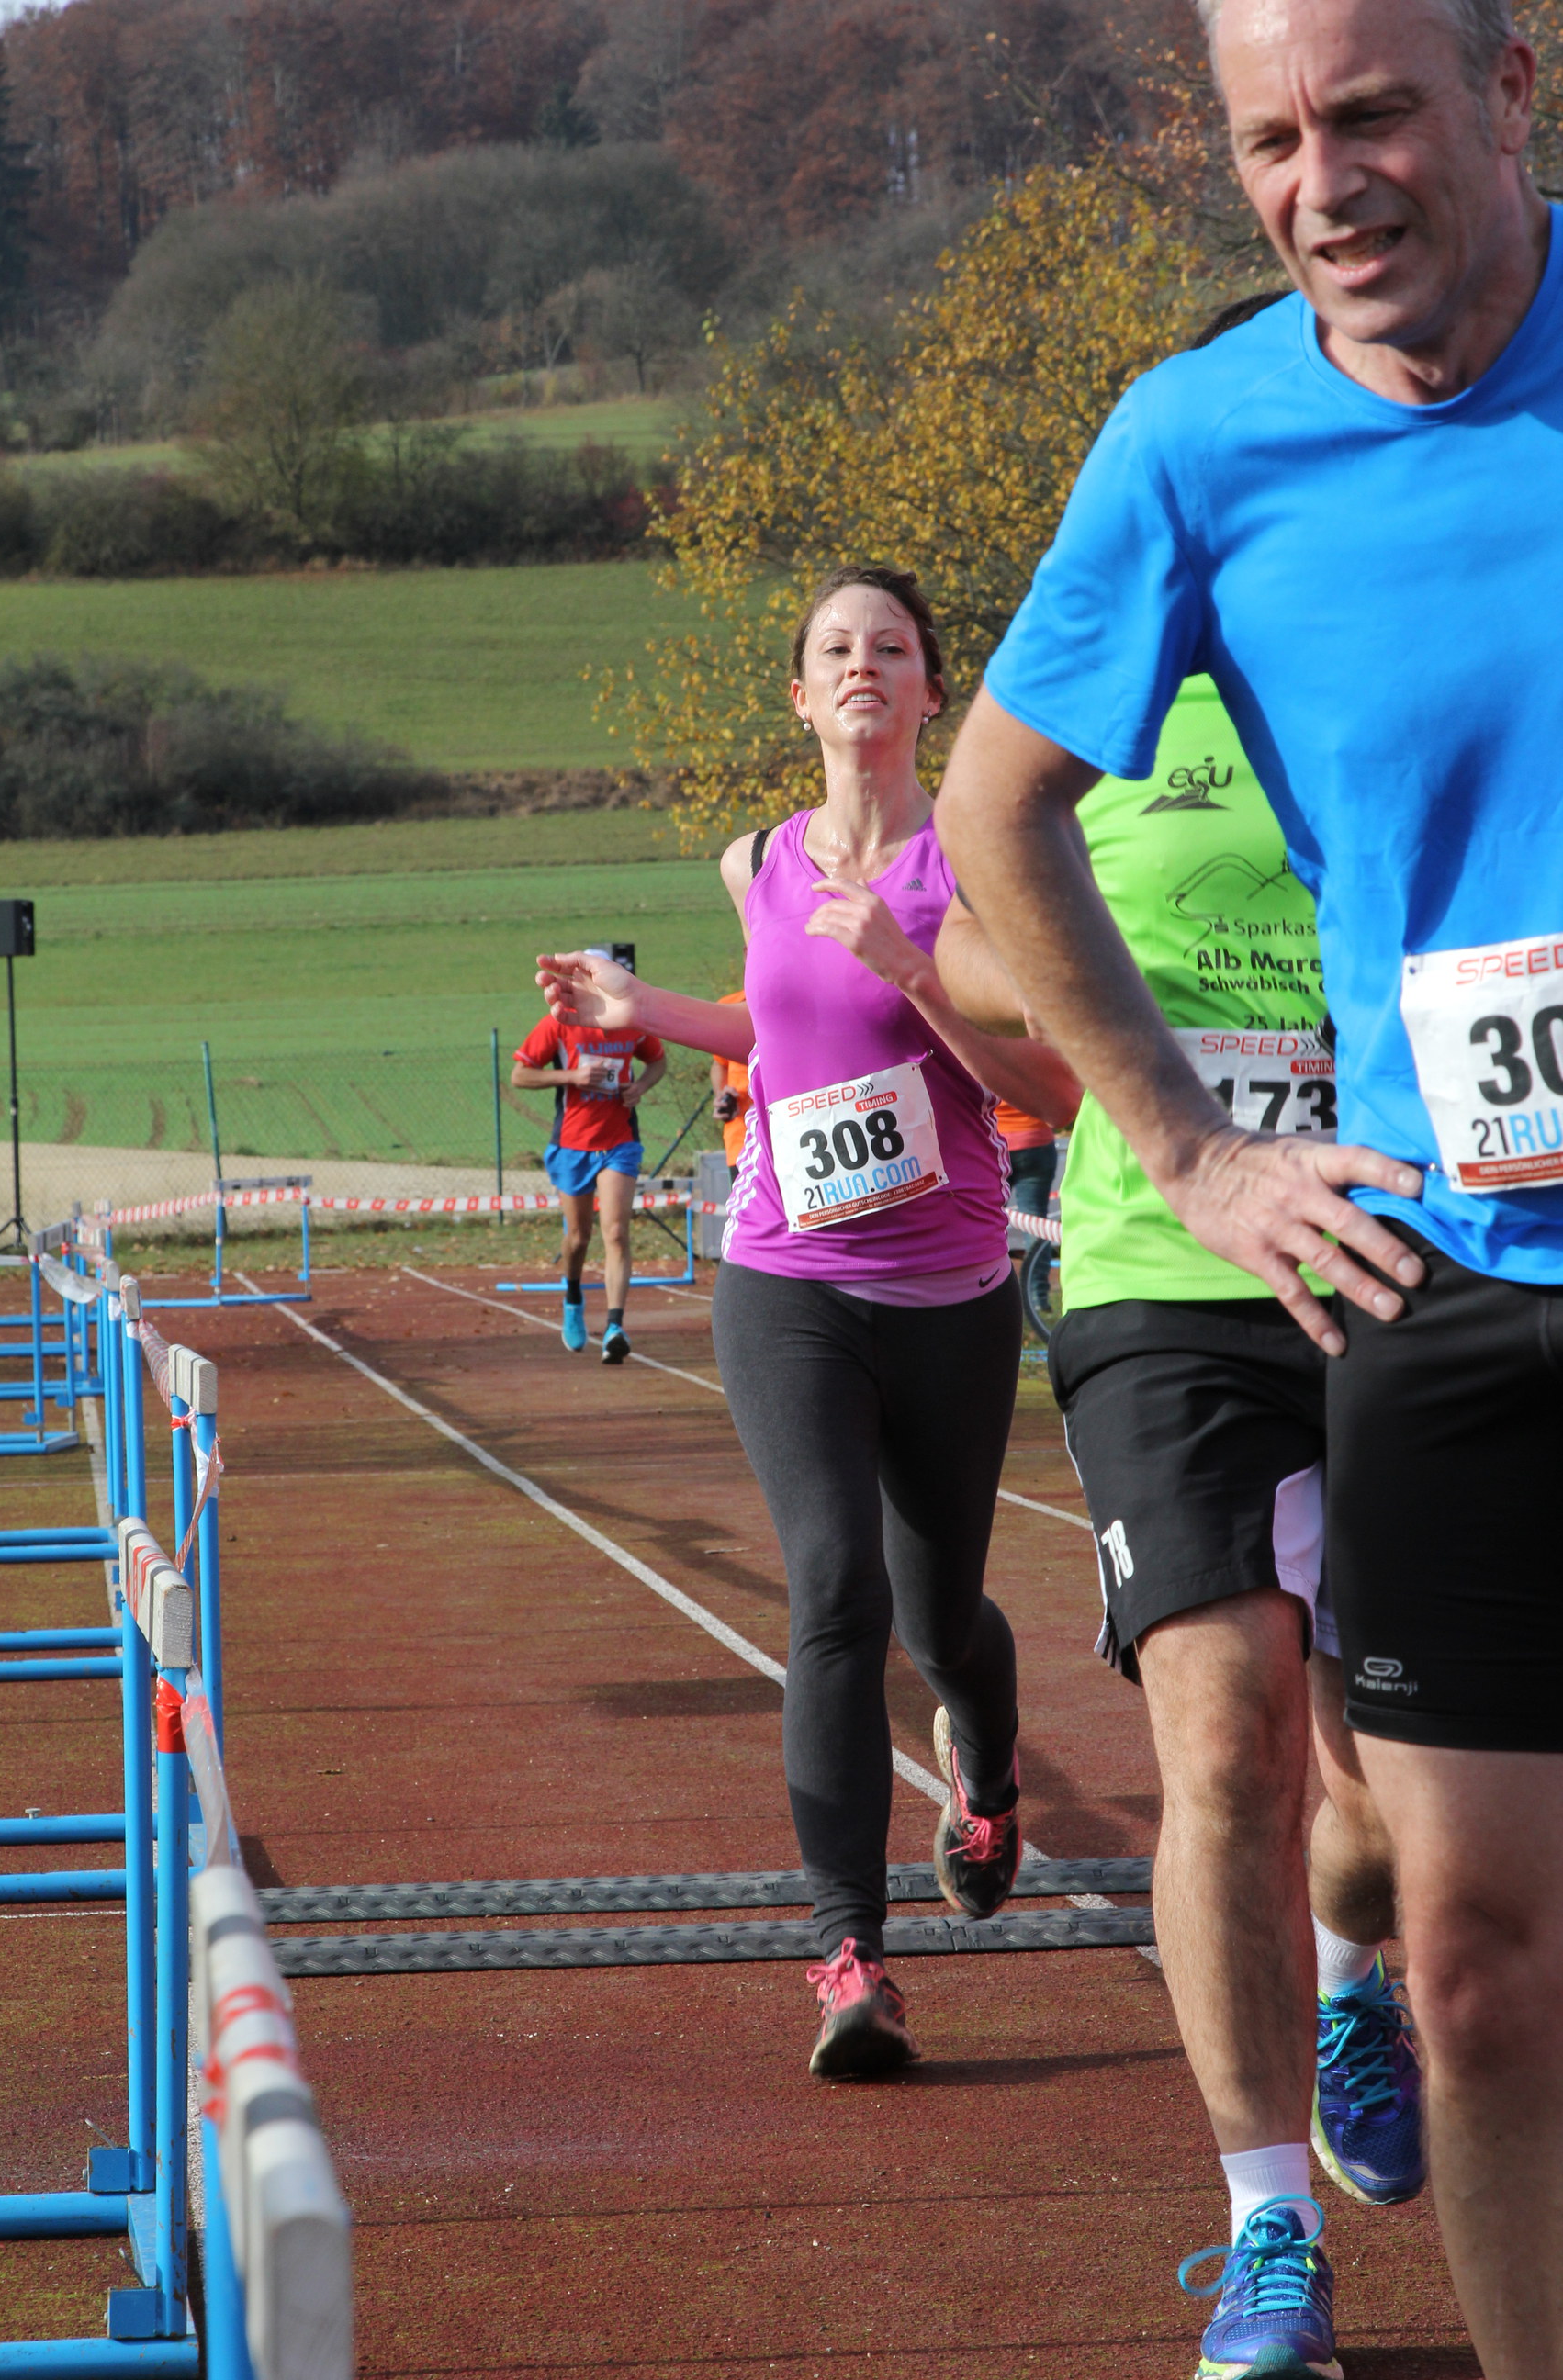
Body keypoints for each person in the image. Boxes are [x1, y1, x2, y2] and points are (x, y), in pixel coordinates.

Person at [933, 1, 1563, 2372]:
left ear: (1510, 88)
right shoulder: (1198, 444)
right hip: (1447, 1280)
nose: (1324, 181)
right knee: (1479, 1967)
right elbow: (993, 811)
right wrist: (1193, 1155)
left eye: (1372, 113)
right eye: (1270, 140)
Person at [536, 565, 1079, 2078]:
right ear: (799, 693)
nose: (861, 666)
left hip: (951, 1293)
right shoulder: (754, 863)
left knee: (938, 1614)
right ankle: (851, 1957)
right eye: (834, 647)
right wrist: (644, 1014)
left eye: (890, 647)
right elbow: (780, 1035)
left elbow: (1045, 1086)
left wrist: (916, 973)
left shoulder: (977, 866)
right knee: (835, 1588)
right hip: (786, 1281)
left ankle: (984, 1759)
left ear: (930, 692)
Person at [939, 665, 1414, 2380]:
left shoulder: (1395, 652)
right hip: (1167, 1280)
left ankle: (1349, 1979)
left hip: (1400, 1268)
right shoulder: (1110, 687)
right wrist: (1072, 983)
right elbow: (968, 924)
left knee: (1383, 1795)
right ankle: (1267, 2230)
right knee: (1225, 1748)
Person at [511, 995, 667, 1364]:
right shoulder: (560, 1023)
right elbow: (520, 1075)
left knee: (616, 1232)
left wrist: (640, 1087)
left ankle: (615, 1327)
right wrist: (571, 1076)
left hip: (620, 1142)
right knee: (579, 1237)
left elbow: (658, 1061)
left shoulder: (631, 1022)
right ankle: (573, 1297)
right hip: (572, 1144)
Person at [995, 1098, 1058, 1314]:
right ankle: (1038, 1299)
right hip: (1036, 1140)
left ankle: (986, 1291)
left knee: (986, 1221)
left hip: (996, 1143)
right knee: (1036, 1225)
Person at [711, 989, 753, 1177]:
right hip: (742, 1138)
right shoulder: (728, 1007)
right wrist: (722, 1094)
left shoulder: (799, 998)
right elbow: (719, 1064)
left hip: (791, 1135)